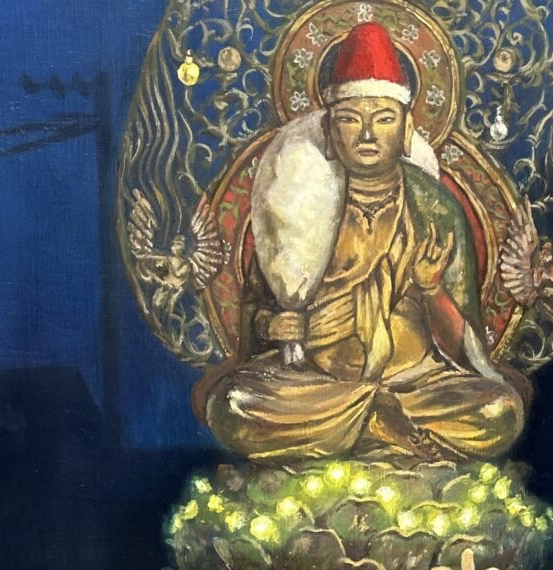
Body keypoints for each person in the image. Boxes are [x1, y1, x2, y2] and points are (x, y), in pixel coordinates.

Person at [196, 23, 527, 461]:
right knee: (233, 406)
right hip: (316, 387)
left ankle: (370, 423)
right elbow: (257, 314)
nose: (367, 135)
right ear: (329, 133)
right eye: (350, 120)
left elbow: (465, 351)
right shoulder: (296, 205)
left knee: (498, 411)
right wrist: (271, 328)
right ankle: (373, 420)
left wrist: (431, 290)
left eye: (384, 119)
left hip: (417, 384)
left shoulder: (434, 209)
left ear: (407, 129)